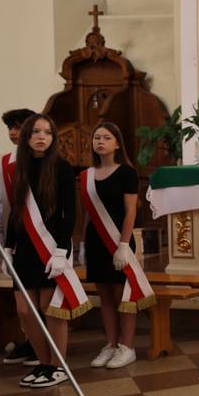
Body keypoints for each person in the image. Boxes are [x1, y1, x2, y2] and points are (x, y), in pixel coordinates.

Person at [5, 114, 90, 388]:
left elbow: (70, 213)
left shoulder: (62, 167)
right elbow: (16, 211)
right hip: (24, 248)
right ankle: (43, 363)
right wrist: (8, 246)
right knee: (25, 309)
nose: (41, 137)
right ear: (27, 137)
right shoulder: (19, 169)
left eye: (47, 132)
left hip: (52, 247)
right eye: (35, 132)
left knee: (49, 308)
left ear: (53, 138)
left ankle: (57, 366)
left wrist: (62, 250)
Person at [81, 123, 151, 370]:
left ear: (117, 143)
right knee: (105, 295)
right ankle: (110, 344)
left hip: (119, 240)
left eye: (106, 137)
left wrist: (123, 244)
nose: (100, 141)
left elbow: (131, 210)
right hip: (95, 241)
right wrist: (82, 242)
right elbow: (89, 212)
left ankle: (126, 347)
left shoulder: (126, 173)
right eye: (97, 137)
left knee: (123, 295)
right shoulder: (87, 175)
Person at [0, 108, 37, 367]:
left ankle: (41, 345)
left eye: (18, 127)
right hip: (17, 237)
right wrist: (0, 239)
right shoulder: (6, 161)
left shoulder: (40, 159)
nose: (12, 132)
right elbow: (2, 201)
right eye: (10, 128)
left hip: (40, 238)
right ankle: (29, 340)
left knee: (38, 298)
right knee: (22, 298)